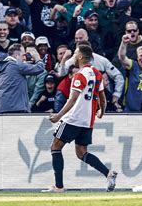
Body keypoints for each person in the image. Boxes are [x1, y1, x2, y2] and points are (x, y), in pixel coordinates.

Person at [43, 44, 117, 192]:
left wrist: (58, 116)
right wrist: (101, 112)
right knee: (81, 153)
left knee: (55, 147)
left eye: (75, 54)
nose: (73, 57)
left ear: (81, 56)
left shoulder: (80, 75)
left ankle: (59, 186)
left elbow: (72, 100)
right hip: (87, 121)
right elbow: (102, 98)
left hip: (73, 119)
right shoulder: (97, 74)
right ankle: (108, 174)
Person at [0, 44, 45, 114]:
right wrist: (37, 57)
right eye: (23, 55)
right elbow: (40, 68)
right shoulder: (16, 65)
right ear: (16, 56)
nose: (24, 58)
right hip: (15, 109)